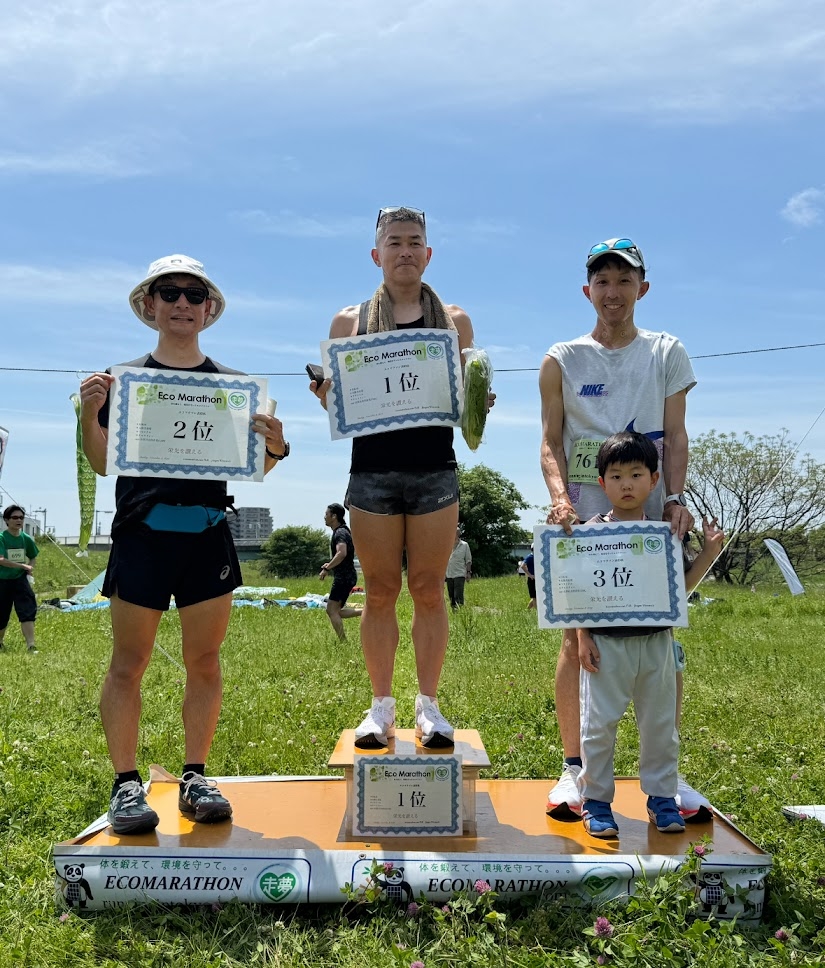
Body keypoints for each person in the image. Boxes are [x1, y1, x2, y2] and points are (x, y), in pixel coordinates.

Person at [79, 254, 287, 835]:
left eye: (194, 295)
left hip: (207, 537)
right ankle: (126, 785)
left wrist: (275, 445)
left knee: (205, 661)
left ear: (208, 308)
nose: (181, 304)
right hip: (142, 536)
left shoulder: (233, 387)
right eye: (168, 293)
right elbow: (100, 462)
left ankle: (196, 777)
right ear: (149, 305)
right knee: (129, 663)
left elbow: (256, 469)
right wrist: (90, 414)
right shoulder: (120, 381)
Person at [312, 206, 493, 750]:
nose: (405, 251)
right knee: (381, 591)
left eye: (415, 241)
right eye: (394, 242)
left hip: (435, 469)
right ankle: (381, 708)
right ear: (377, 255)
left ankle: (429, 707)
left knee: (430, 590)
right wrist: (327, 396)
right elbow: (340, 405)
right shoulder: (348, 323)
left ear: (428, 254)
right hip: (371, 472)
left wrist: (479, 399)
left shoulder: (455, 322)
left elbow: (467, 397)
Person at [539, 237, 703, 821]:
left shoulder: (666, 351)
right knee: (578, 638)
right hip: (586, 512)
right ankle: (575, 769)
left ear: (643, 288)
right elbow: (550, 440)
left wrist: (675, 498)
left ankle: (667, 778)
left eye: (624, 280)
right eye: (603, 281)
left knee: (661, 634)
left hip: (649, 509)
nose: (614, 292)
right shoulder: (561, 358)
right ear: (588, 291)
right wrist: (561, 500)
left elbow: (676, 435)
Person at [576, 432, 724, 837]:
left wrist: (709, 553)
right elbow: (577, 594)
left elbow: (681, 589)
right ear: (602, 483)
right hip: (606, 646)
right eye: (616, 476)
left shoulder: (664, 535)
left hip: (658, 642)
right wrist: (582, 636)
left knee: (660, 725)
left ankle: (661, 798)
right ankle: (596, 801)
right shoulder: (589, 533)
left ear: (654, 480)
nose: (626, 484)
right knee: (598, 725)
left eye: (636, 474)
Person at [320, 503, 362, 640]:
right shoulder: (342, 531)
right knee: (335, 611)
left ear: (334, 516)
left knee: (331, 610)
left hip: (344, 577)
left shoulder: (340, 533)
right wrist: (330, 564)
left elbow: (341, 553)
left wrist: (327, 568)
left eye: (326, 514)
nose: (324, 517)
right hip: (346, 576)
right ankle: (366, 612)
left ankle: (343, 641)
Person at [0, 505, 39, 652]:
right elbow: (1, 560)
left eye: (21, 518)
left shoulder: (26, 539)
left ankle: (31, 645)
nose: (19, 520)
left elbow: (33, 556)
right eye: (15, 517)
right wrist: (22, 566)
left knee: (27, 610)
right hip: (2, 580)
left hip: (20, 580)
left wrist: (29, 568)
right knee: (2, 614)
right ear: (6, 520)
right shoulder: (2, 538)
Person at [445, 527, 472, 609]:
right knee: (451, 597)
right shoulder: (446, 545)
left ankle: (460, 612)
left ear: (458, 534)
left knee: (458, 596)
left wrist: (468, 572)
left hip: (459, 574)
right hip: (449, 574)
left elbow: (468, 560)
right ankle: (454, 613)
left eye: (456, 532)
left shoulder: (464, 545)